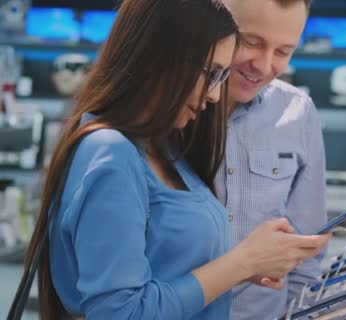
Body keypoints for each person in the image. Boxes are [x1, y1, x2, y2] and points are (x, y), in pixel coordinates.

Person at [20, 0, 328, 319]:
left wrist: (248, 264)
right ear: (165, 57)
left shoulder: (163, 148)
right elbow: (122, 311)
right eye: (212, 73)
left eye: (283, 51)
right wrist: (242, 262)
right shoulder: (112, 150)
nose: (214, 95)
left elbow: (164, 262)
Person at [217, 0, 327, 318]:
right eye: (251, 42)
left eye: (283, 52)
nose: (263, 66)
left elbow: (307, 253)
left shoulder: (298, 111)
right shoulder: (171, 113)